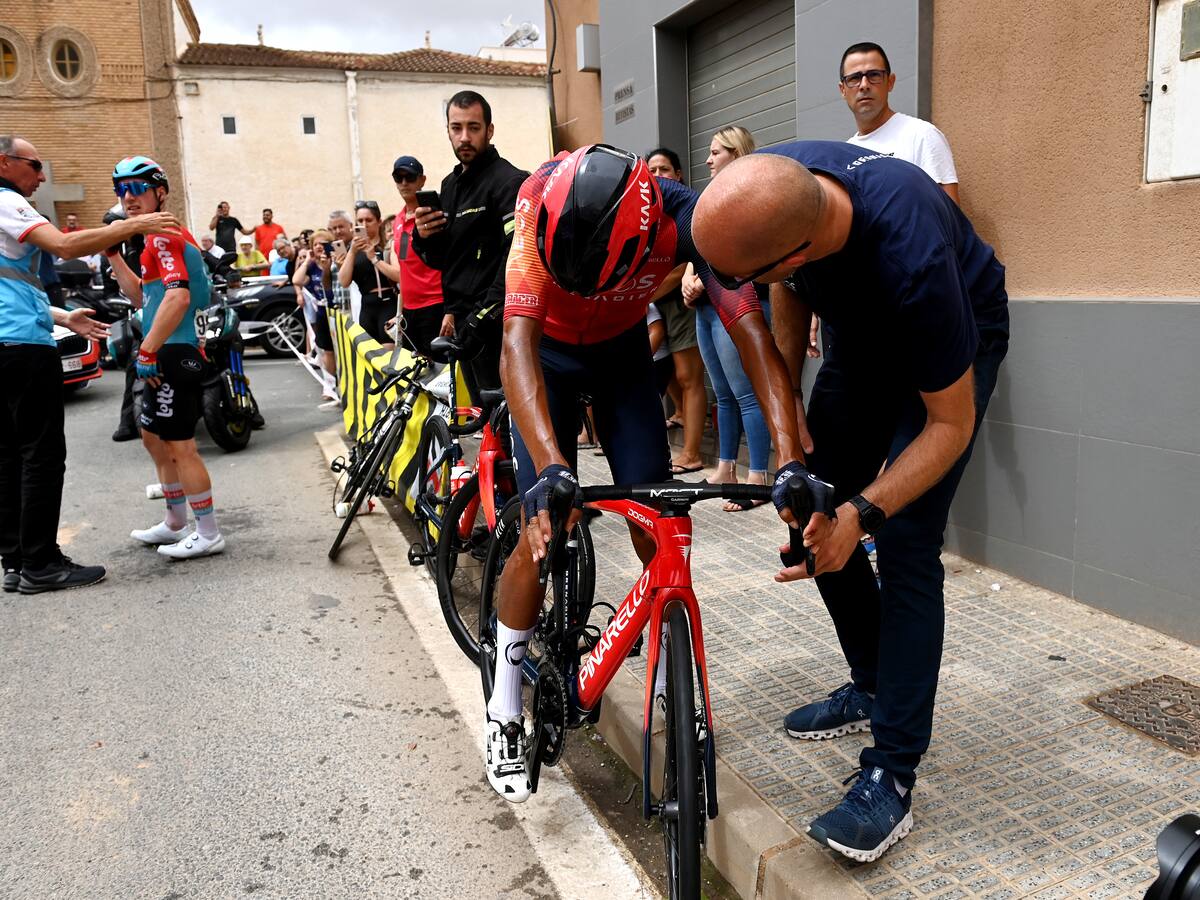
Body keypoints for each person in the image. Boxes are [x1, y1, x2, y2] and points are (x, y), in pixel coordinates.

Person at [690, 143, 1009, 862]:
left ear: (796, 250)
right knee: (812, 509)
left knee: (902, 542)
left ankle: (892, 777)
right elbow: (783, 292)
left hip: (956, 339)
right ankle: (871, 685)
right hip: (862, 342)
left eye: (750, 274)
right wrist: (790, 431)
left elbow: (949, 427)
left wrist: (862, 517)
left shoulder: (911, 256)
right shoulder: (775, 188)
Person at [481, 144, 801, 802]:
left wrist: (791, 456)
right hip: (547, 362)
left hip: (622, 359)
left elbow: (752, 333)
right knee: (543, 526)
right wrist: (548, 468)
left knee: (658, 518)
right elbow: (516, 350)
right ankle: (505, 706)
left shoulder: (689, 221)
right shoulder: (537, 203)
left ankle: (666, 671)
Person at [1, 136, 177, 593]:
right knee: (41, 455)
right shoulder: (6, 201)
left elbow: (11, 281)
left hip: (9, 342)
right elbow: (62, 245)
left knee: (9, 457)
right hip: (20, 347)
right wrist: (124, 228)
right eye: (35, 165)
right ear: (4, 162)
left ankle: (18, 560)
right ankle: (42, 563)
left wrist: (62, 316)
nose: (41, 176)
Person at [103, 156, 226, 560]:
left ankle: (207, 532)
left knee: (180, 445)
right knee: (155, 439)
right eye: (121, 190)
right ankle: (175, 523)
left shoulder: (163, 235)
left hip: (173, 349)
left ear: (160, 192)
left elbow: (178, 297)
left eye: (137, 188)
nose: (128, 197)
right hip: (167, 345)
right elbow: (144, 297)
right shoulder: (151, 241)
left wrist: (148, 350)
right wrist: (114, 256)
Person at [678, 128, 775, 511]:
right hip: (707, 307)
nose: (707, 159)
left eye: (716, 152)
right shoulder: (708, 197)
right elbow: (695, 244)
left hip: (739, 302)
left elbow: (754, 253)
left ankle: (758, 477)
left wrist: (702, 277)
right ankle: (726, 469)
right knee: (722, 394)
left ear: (736, 154)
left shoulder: (754, 192)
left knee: (747, 393)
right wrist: (688, 276)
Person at [412, 90, 527, 401]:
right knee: (482, 420)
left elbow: (517, 258)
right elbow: (443, 259)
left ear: (489, 131)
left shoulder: (510, 181)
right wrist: (422, 236)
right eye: (456, 128)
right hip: (463, 325)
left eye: (473, 128)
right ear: (448, 131)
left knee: (505, 427)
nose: (464, 137)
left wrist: (480, 318)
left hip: (500, 324)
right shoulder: (450, 186)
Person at [639, 147, 706, 474]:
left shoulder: (686, 210)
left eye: (664, 169)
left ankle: (692, 452)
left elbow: (684, 267)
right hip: (660, 303)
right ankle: (683, 416)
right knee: (667, 373)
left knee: (688, 377)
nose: (658, 176)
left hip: (682, 302)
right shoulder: (647, 212)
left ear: (678, 175)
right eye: (652, 170)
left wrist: (646, 291)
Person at [840, 42, 959, 203]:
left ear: (890, 82)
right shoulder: (844, 155)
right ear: (843, 90)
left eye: (874, 75)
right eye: (854, 78)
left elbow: (950, 218)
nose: (864, 85)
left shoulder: (922, 136)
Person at [382, 155, 444, 358]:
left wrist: (451, 311)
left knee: (438, 372)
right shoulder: (398, 219)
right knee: (416, 371)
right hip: (409, 309)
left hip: (435, 305)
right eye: (398, 178)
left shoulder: (431, 215)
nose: (404, 183)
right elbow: (404, 267)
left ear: (422, 180)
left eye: (409, 177)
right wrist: (399, 312)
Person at [338, 200, 397, 346]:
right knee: (371, 358)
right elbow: (344, 282)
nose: (364, 224)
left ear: (379, 222)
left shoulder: (388, 246)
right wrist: (352, 251)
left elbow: (398, 275)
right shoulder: (351, 250)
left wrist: (374, 258)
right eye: (360, 220)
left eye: (369, 220)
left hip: (388, 303)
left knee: (388, 356)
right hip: (366, 307)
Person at [292, 230, 338, 405]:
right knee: (326, 350)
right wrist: (307, 261)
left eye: (323, 243)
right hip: (321, 312)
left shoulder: (335, 261)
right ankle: (330, 385)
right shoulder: (312, 266)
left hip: (338, 311)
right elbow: (296, 279)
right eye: (316, 244)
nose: (319, 247)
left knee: (340, 349)